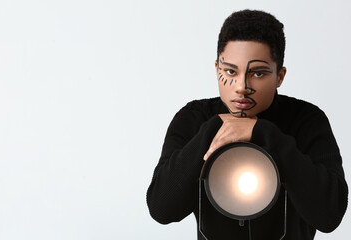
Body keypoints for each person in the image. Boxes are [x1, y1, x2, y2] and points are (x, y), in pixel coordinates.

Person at [146, 9, 348, 239]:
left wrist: (263, 133)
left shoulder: (307, 120)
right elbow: (161, 209)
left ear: (279, 76)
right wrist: (212, 131)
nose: (242, 86)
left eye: (258, 73)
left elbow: (329, 215)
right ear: (216, 69)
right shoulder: (194, 118)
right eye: (230, 71)